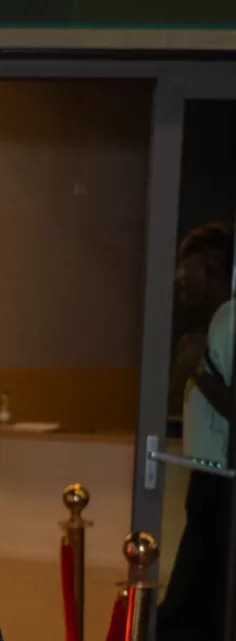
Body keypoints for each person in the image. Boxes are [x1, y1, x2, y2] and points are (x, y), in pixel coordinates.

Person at [159, 221, 234, 641]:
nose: (178, 279)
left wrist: (199, 369)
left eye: (185, 269)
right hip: (210, 485)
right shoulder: (216, 325)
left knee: (182, 616)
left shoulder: (229, 321)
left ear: (212, 267)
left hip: (219, 487)